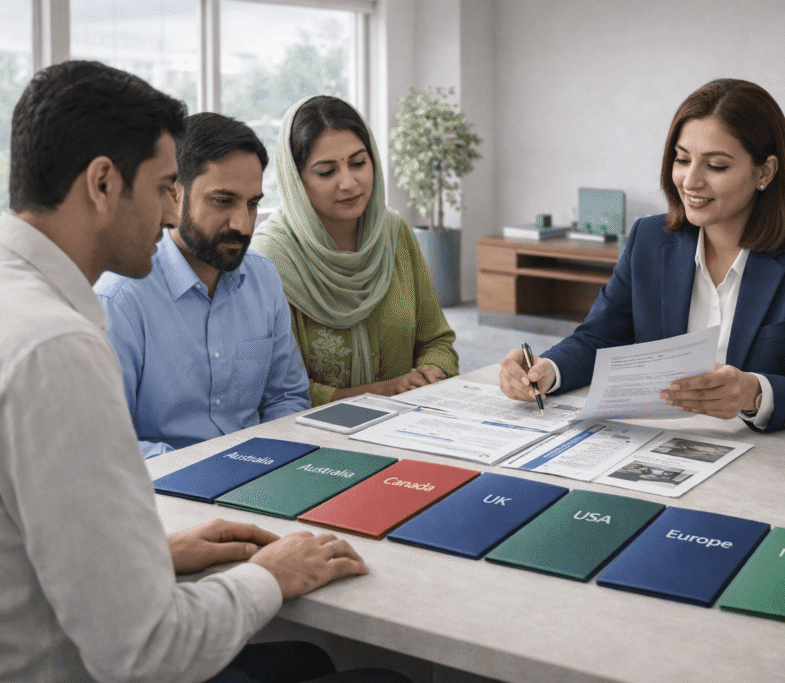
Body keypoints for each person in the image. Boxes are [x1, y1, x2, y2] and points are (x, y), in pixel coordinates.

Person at [0, 60, 408, 683]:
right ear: (103, 184)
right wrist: (268, 577)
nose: (169, 214)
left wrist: (157, 557)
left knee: (306, 658)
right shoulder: (57, 347)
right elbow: (145, 651)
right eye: (165, 187)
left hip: (73, 623)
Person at [499, 78, 785, 432]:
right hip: (659, 444)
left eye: (716, 166)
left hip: (764, 456)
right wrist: (547, 369)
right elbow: (600, 338)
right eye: (683, 159)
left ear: (764, 171)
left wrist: (754, 393)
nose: (690, 181)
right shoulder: (649, 239)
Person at [94, 112, 310, 459]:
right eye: (222, 201)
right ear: (174, 194)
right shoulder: (121, 298)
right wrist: (201, 471)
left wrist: (273, 460)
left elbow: (286, 397)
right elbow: (105, 440)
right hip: (166, 489)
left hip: (262, 474)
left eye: (253, 203)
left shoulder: (262, 278)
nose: (243, 223)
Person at [251, 95, 458, 407]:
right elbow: (272, 389)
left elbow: (437, 339)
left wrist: (430, 374)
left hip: (409, 421)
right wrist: (381, 393)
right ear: (296, 180)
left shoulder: (393, 233)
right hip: (315, 437)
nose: (349, 183)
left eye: (359, 163)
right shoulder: (269, 259)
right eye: (326, 172)